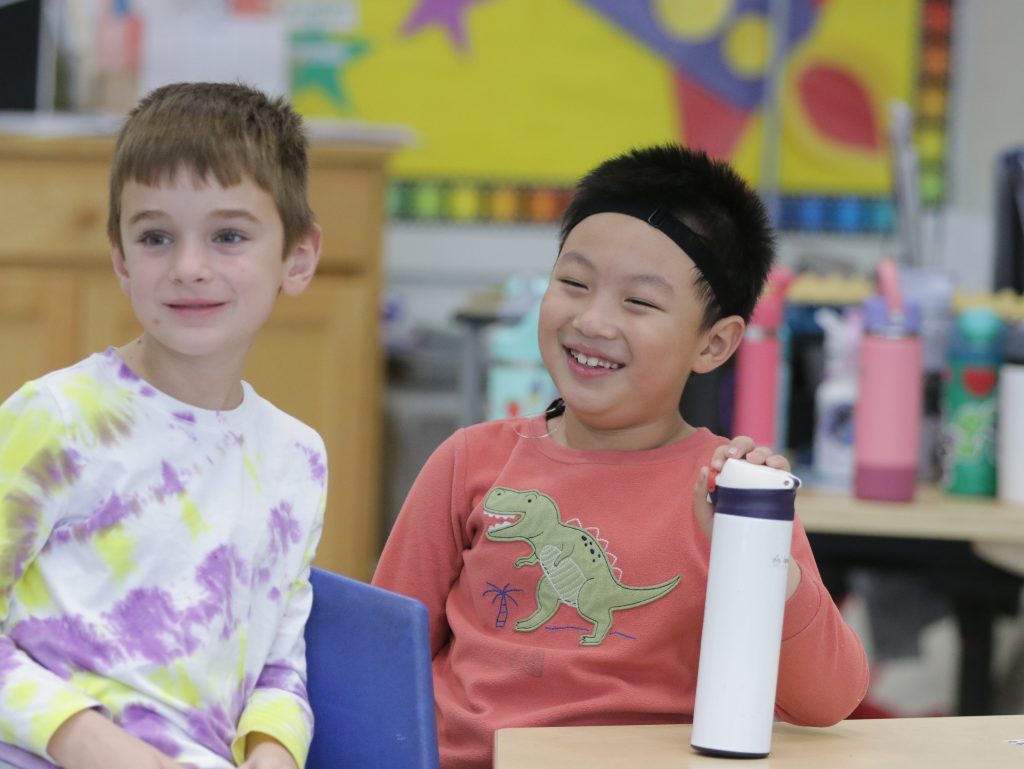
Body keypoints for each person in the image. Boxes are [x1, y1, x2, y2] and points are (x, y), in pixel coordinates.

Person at [373, 144, 869, 769]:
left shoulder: (731, 491)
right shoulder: (469, 460)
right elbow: (383, 657)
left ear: (714, 343)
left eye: (639, 302)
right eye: (574, 283)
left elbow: (829, 699)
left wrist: (755, 545)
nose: (593, 320)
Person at [0, 82, 326, 769]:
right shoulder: (55, 419)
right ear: (121, 258)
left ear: (297, 257)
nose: (189, 268)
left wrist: (272, 754)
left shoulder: (298, 456)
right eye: (156, 237)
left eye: (229, 235)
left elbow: (278, 662)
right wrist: (91, 742)